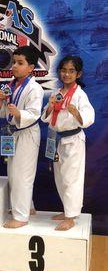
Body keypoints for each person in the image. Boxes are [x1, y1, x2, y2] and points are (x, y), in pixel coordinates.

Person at [42, 55, 95, 230]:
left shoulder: (80, 95)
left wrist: (76, 113)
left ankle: (71, 216)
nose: (66, 74)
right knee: (60, 177)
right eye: (63, 70)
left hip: (73, 140)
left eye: (71, 71)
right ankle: (66, 210)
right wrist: (50, 106)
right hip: (57, 139)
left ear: (78, 74)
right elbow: (46, 117)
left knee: (72, 178)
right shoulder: (57, 93)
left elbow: (88, 118)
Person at [0, 46, 44, 228]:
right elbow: (4, 113)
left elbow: (34, 113)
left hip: (27, 133)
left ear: (31, 67)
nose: (14, 66)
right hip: (13, 133)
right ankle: (27, 206)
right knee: (14, 174)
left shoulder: (34, 88)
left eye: (20, 63)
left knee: (23, 175)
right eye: (14, 62)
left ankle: (21, 217)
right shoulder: (11, 85)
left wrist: (19, 113)